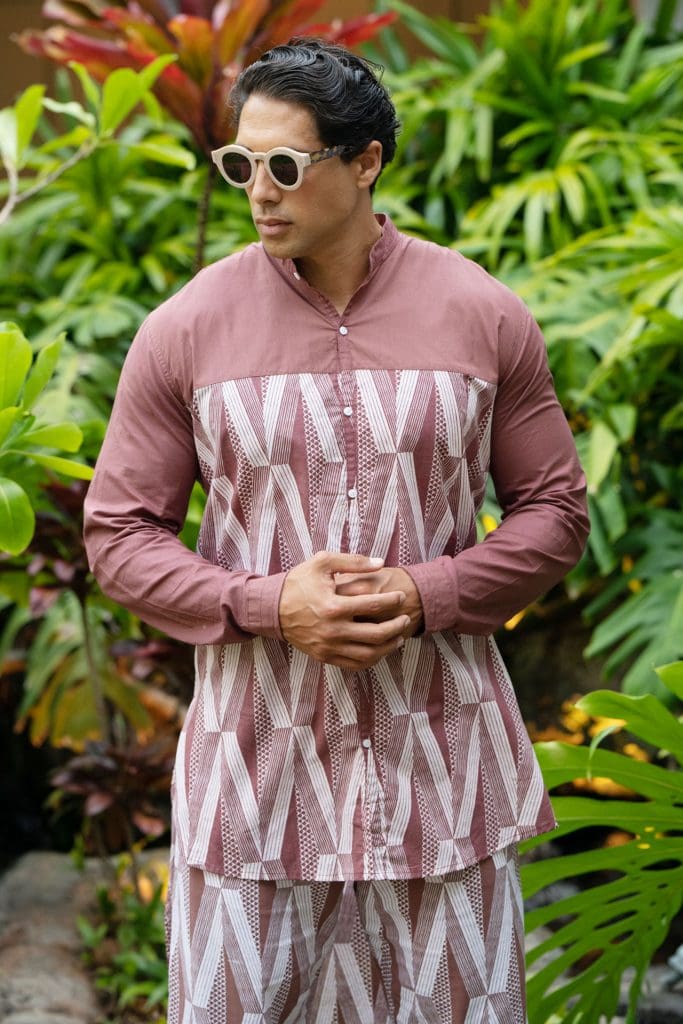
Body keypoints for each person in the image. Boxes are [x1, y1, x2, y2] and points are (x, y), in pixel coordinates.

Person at [83, 38, 589, 1024]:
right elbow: (120, 534)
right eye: (239, 164)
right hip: (252, 789)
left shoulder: (480, 313)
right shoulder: (185, 328)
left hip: (443, 781)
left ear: (365, 162)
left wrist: (427, 591)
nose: (257, 191)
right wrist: (267, 603)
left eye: (283, 164)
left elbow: (555, 511)